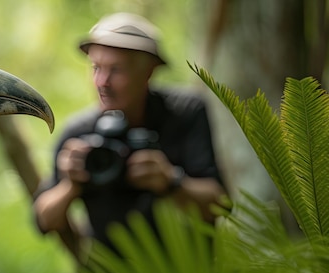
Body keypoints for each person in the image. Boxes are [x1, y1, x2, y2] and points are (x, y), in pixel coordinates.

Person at [33, 13, 226, 254]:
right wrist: (70, 186)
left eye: (116, 70)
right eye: (96, 68)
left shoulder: (184, 114)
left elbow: (219, 205)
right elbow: (43, 221)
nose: (102, 81)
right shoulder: (80, 133)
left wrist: (171, 182)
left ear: (148, 72)